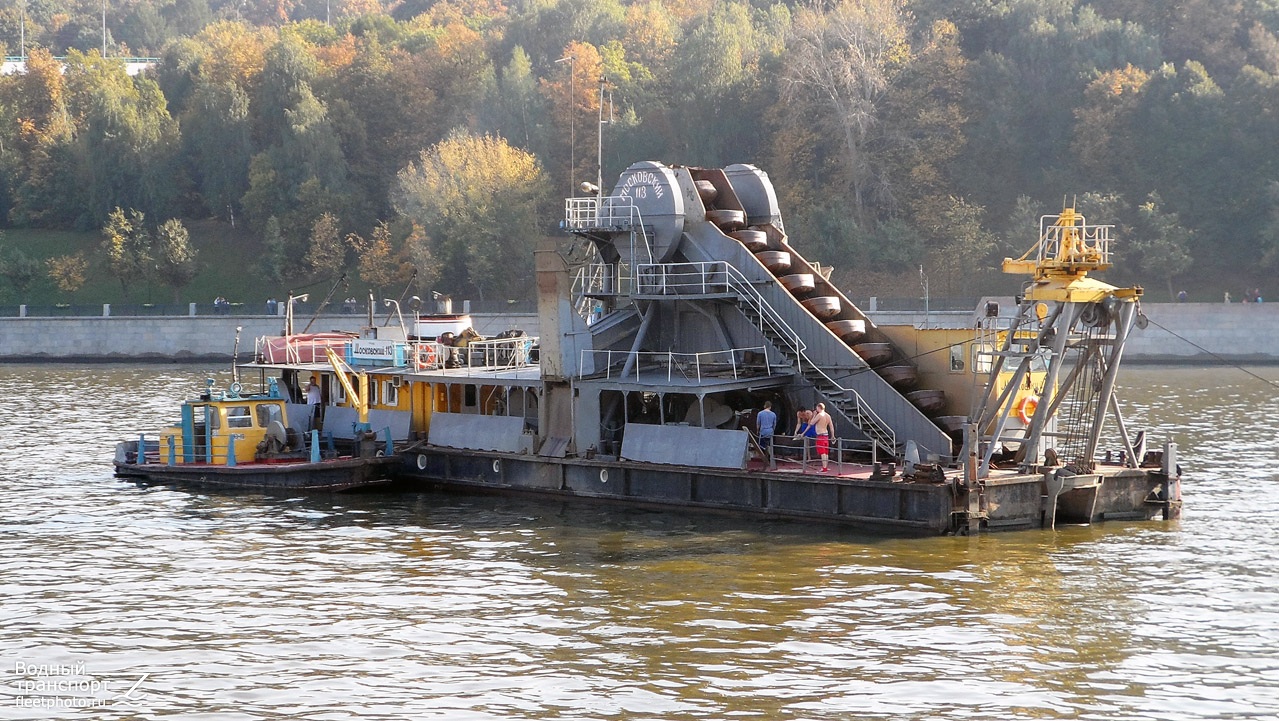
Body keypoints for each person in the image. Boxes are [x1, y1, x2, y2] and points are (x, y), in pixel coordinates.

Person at [812, 402, 833, 473]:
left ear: (819, 408)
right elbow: (831, 427)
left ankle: (824, 468)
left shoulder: (819, 415)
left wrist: (814, 415)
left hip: (820, 435)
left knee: (823, 452)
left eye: (817, 408)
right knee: (826, 452)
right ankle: (825, 467)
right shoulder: (828, 416)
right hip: (826, 435)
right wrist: (833, 435)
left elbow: (812, 423)